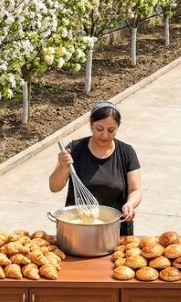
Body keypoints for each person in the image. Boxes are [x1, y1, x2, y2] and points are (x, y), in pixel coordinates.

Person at [49, 101, 142, 236]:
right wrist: (63, 167)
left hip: (115, 228)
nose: (105, 135)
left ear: (118, 128)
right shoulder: (75, 149)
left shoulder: (126, 152)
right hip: (78, 228)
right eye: (99, 129)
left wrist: (130, 204)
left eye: (111, 130)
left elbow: (136, 190)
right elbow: (54, 186)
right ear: (91, 125)